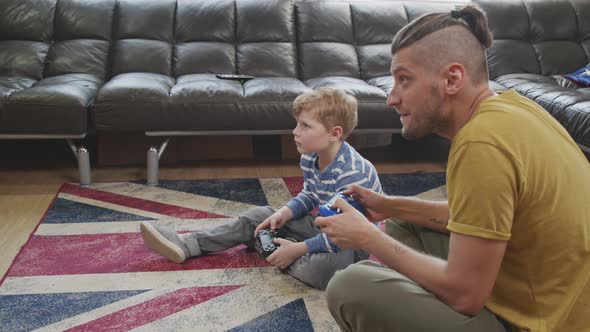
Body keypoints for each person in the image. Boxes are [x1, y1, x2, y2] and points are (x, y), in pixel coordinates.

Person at [314, 5, 590, 332]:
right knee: (404, 222)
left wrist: (368, 237)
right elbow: (478, 214)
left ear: (452, 79)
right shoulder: (515, 108)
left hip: (539, 323)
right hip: (560, 298)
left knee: (350, 287)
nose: (392, 98)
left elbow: (465, 297)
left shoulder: (480, 146)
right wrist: (388, 206)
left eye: (404, 80)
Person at [140, 87, 383, 290]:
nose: (295, 132)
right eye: (297, 124)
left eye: (305, 126)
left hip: (351, 245)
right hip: (324, 225)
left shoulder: (353, 174)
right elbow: (310, 194)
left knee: (324, 272)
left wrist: (298, 248)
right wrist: (283, 214)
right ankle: (190, 244)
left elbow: (343, 235)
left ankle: (279, 251)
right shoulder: (311, 156)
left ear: (334, 133)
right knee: (260, 217)